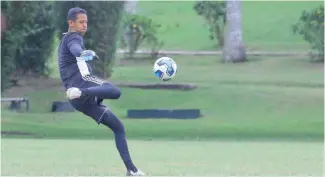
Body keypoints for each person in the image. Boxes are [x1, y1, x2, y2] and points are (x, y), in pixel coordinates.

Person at [57, 7, 145, 176]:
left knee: (118, 127)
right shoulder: (72, 38)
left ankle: (131, 170)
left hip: (77, 100)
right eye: (81, 22)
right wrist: (83, 53)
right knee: (114, 91)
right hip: (80, 86)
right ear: (71, 23)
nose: (84, 25)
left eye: (86, 22)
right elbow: (76, 50)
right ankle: (81, 93)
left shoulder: (66, 40)